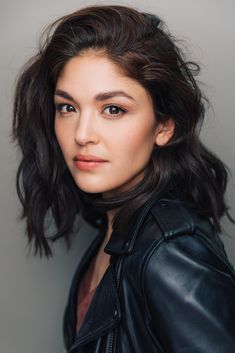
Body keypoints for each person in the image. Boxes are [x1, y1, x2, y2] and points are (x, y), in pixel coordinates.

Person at [12, 4, 235, 353]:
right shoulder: (117, 228)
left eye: (113, 109)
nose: (82, 134)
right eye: (67, 107)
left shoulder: (171, 252)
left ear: (164, 125)